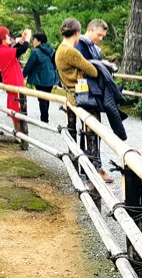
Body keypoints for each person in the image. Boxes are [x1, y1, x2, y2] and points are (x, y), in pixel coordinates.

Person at [55, 18, 112, 182]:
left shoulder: (60, 49)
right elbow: (92, 71)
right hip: (81, 95)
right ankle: (93, 170)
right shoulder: (71, 51)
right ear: (78, 32)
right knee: (92, 131)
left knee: (79, 131)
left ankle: (79, 164)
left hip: (71, 94)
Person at [0, 25, 25, 128]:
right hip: (14, 83)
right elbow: (22, 49)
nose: (9, 37)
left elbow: (15, 48)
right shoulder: (5, 51)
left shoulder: (1, 49)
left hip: (11, 81)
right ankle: (20, 135)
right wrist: (26, 40)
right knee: (18, 112)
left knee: (15, 110)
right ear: (3, 39)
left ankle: (18, 134)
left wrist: (22, 39)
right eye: (7, 36)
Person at [22, 32, 58, 123]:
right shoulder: (52, 50)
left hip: (40, 78)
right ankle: (45, 117)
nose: (33, 42)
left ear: (39, 41)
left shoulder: (36, 51)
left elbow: (29, 65)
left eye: (34, 40)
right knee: (46, 97)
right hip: (50, 78)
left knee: (41, 98)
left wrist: (23, 74)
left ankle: (44, 120)